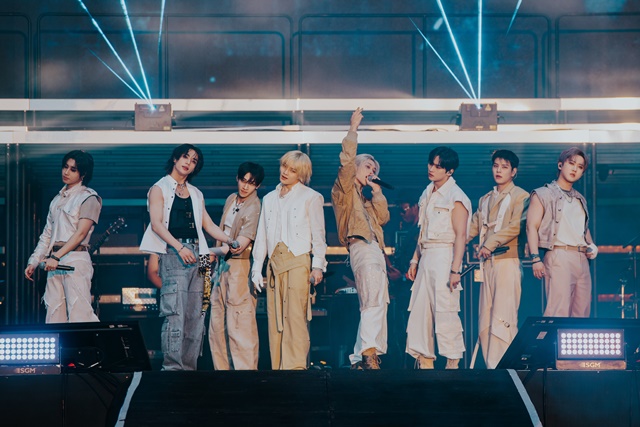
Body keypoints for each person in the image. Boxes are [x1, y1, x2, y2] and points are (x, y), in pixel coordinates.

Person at [140, 144, 233, 371]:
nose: (188, 162)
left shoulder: (196, 193)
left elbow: (208, 225)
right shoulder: (159, 188)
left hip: (199, 254)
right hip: (174, 253)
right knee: (176, 313)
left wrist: (230, 241)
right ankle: (172, 369)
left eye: (193, 160)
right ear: (175, 159)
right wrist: (179, 247)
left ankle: (189, 370)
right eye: (185, 157)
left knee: (197, 314)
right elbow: (156, 224)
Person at [251, 150, 327, 370]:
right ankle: (278, 371)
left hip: (298, 260)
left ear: (301, 174)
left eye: (292, 170)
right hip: (274, 264)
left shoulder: (311, 197)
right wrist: (257, 268)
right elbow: (262, 236)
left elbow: (318, 234)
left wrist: (318, 266)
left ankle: (296, 369)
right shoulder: (268, 198)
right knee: (275, 319)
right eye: (284, 166)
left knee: (295, 317)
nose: (285, 172)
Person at [331, 108, 390, 370]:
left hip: (375, 248)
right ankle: (369, 352)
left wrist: (377, 191)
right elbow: (346, 161)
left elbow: (384, 217)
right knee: (373, 298)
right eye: (368, 166)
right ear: (356, 167)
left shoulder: (366, 200)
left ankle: (359, 357)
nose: (372, 170)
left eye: (375, 169)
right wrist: (353, 129)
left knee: (377, 298)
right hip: (361, 245)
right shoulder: (344, 190)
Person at [406, 146, 471, 369]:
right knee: (420, 309)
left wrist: (455, 269)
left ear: (449, 171)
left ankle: (452, 361)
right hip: (426, 254)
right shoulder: (427, 192)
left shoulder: (457, 196)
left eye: (438, 166)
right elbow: (422, 230)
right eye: (431, 164)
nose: (432, 169)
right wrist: (415, 259)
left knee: (446, 309)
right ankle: (425, 361)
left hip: (445, 255)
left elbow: (461, 236)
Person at [468, 150, 529, 369]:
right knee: (485, 317)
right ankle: (491, 367)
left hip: (507, 261)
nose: (499, 170)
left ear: (514, 171)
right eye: (495, 166)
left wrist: (490, 243)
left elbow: (516, 226)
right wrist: (452, 244)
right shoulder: (485, 199)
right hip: (487, 265)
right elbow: (472, 227)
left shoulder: (521, 196)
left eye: (504, 167)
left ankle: (506, 368)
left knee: (504, 316)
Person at [24, 150, 102, 323]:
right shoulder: (56, 200)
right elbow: (47, 234)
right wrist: (34, 261)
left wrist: (56, 257)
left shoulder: (89, 197)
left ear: (83, 173)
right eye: (65, 167)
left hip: (75, 260)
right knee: (53, 315)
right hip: (53, 263)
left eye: (73, 169)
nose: (66, 172)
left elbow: (81, 233)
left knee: (79, 315)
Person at [526, 147, 597, 317]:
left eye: (580, 167)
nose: (575, 169)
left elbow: (582, 228)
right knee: (558, 311)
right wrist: (535, 258)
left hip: (581, 257)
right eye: (571, 163)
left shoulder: (580, 198)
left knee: (582, 313)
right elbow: (531, 227)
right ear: (560, 165)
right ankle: (550, 337)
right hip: (559, 254)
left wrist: (592, 245)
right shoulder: (543, 194)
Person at [208, 162, 264, 370]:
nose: (245, 186)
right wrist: (214, 255)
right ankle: (222, 374)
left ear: (257, 185)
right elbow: (222, 231)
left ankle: (245, 375)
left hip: (240, 266)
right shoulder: (231, 199)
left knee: (240, 325)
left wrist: (209, 251)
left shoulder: (255, 206)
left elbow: (239, 246)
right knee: (217, 324)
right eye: (243, 180)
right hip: (222, 267)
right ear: (237, 178)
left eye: (251, 183)